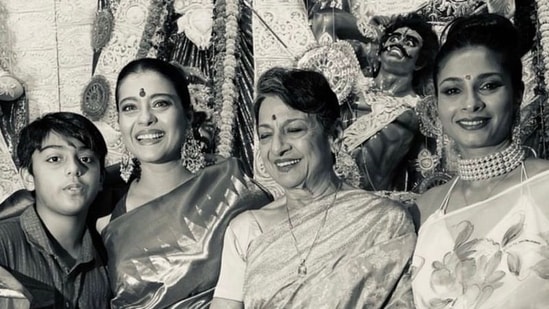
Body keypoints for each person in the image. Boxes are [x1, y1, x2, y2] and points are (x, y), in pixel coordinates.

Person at [211, 67, 416, 308]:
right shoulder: (247, 230)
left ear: (334, 135)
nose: (277, 148)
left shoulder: (384, 221)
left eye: (294, 130)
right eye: (265, 135)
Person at [96, 58, 272, 308]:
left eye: (160, 104)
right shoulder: (102, 214)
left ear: (188, 115)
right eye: (130, 107)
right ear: (120, 123)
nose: (145, 118)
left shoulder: (232, 190)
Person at [412, 14, 549, 308]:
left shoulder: (545, 185)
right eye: (452, 90)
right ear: (436, 105)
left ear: (517, 95)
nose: (471, 103)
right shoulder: (425, 210)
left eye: (488, 86)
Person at [0, 112, 111, 308]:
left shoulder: (109, 258)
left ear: (101, 178)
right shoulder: (5, 242)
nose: (74, 168)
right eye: (54, 159)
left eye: (86, 159)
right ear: (28, 177)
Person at [339, 12, 440, 192]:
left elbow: (426, 173)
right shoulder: (349, 85)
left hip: (369, 204)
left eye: (409, 42)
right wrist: (373, 31)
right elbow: (325, 21)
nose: (398, 43)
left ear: (420, 62)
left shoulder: (419, 111)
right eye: (393, 38)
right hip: (321, 193)